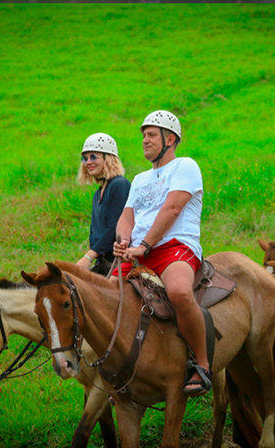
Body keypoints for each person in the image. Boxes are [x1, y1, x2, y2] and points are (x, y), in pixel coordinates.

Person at [112, 110, 211, 396]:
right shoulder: (140, 178)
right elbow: (126, 217)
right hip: (139, 252)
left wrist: (145, 245)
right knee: (106, 296)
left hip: (175, 246)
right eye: (143, 135)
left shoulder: (185, 166)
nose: (145, 139)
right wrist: (123, 240)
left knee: (180, 292)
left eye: (151, 135)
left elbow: (173, 209)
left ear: (170, 139)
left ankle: (202, 365)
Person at [75, 132, 131, 276]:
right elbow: (95, 233)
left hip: (120, 262)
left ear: (108, 158)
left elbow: (115, 227)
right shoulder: (97, 194)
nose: (88, 162)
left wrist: (88, 257)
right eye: (85, 158)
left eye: (93, 156)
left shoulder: (119, 185)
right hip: (102, 263)